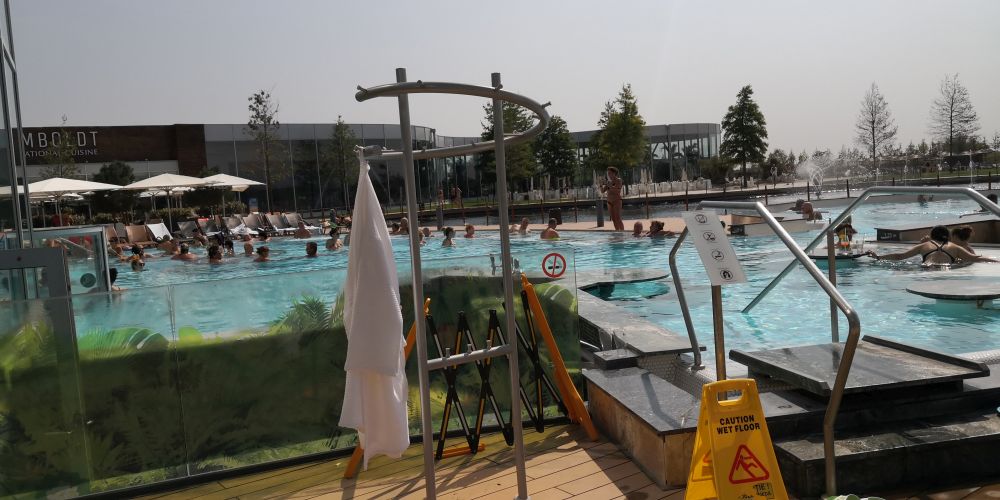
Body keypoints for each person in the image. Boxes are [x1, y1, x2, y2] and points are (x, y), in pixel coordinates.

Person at [867, 225, 996, 266]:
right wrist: (996, 261)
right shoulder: (955, 247)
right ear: (948, 236)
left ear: (932, 236)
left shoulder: (924, 245)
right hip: (946, 269)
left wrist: (878, 257)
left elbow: (899, 256)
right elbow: (976, 258)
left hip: (927, 268)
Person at [600, 167, 625, 231]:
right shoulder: (608, 182)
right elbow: (602, 191)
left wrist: (610, 186)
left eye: (610, 173)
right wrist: (601, 185)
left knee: (618, 218)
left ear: (614, 173)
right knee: (613, 219)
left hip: (617, 201)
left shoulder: (618, 180)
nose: (608, 175)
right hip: (609, 202)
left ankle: (622, 232)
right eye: (608, 173)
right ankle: (617, 232)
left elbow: (617, 191)